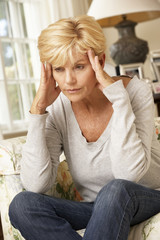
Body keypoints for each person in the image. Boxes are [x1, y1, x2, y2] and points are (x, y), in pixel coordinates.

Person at [9, 15, 160, 240]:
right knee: (23, 205)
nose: (69, 80)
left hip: (144, 196)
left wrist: (119, 100)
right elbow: (36, 184)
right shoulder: (58, 105)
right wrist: (38, 109)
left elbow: (128, 174)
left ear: (99, 62)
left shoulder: (135, 93)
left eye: (79, 66)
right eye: (59, 69)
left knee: (115, 190)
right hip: (97, 207)